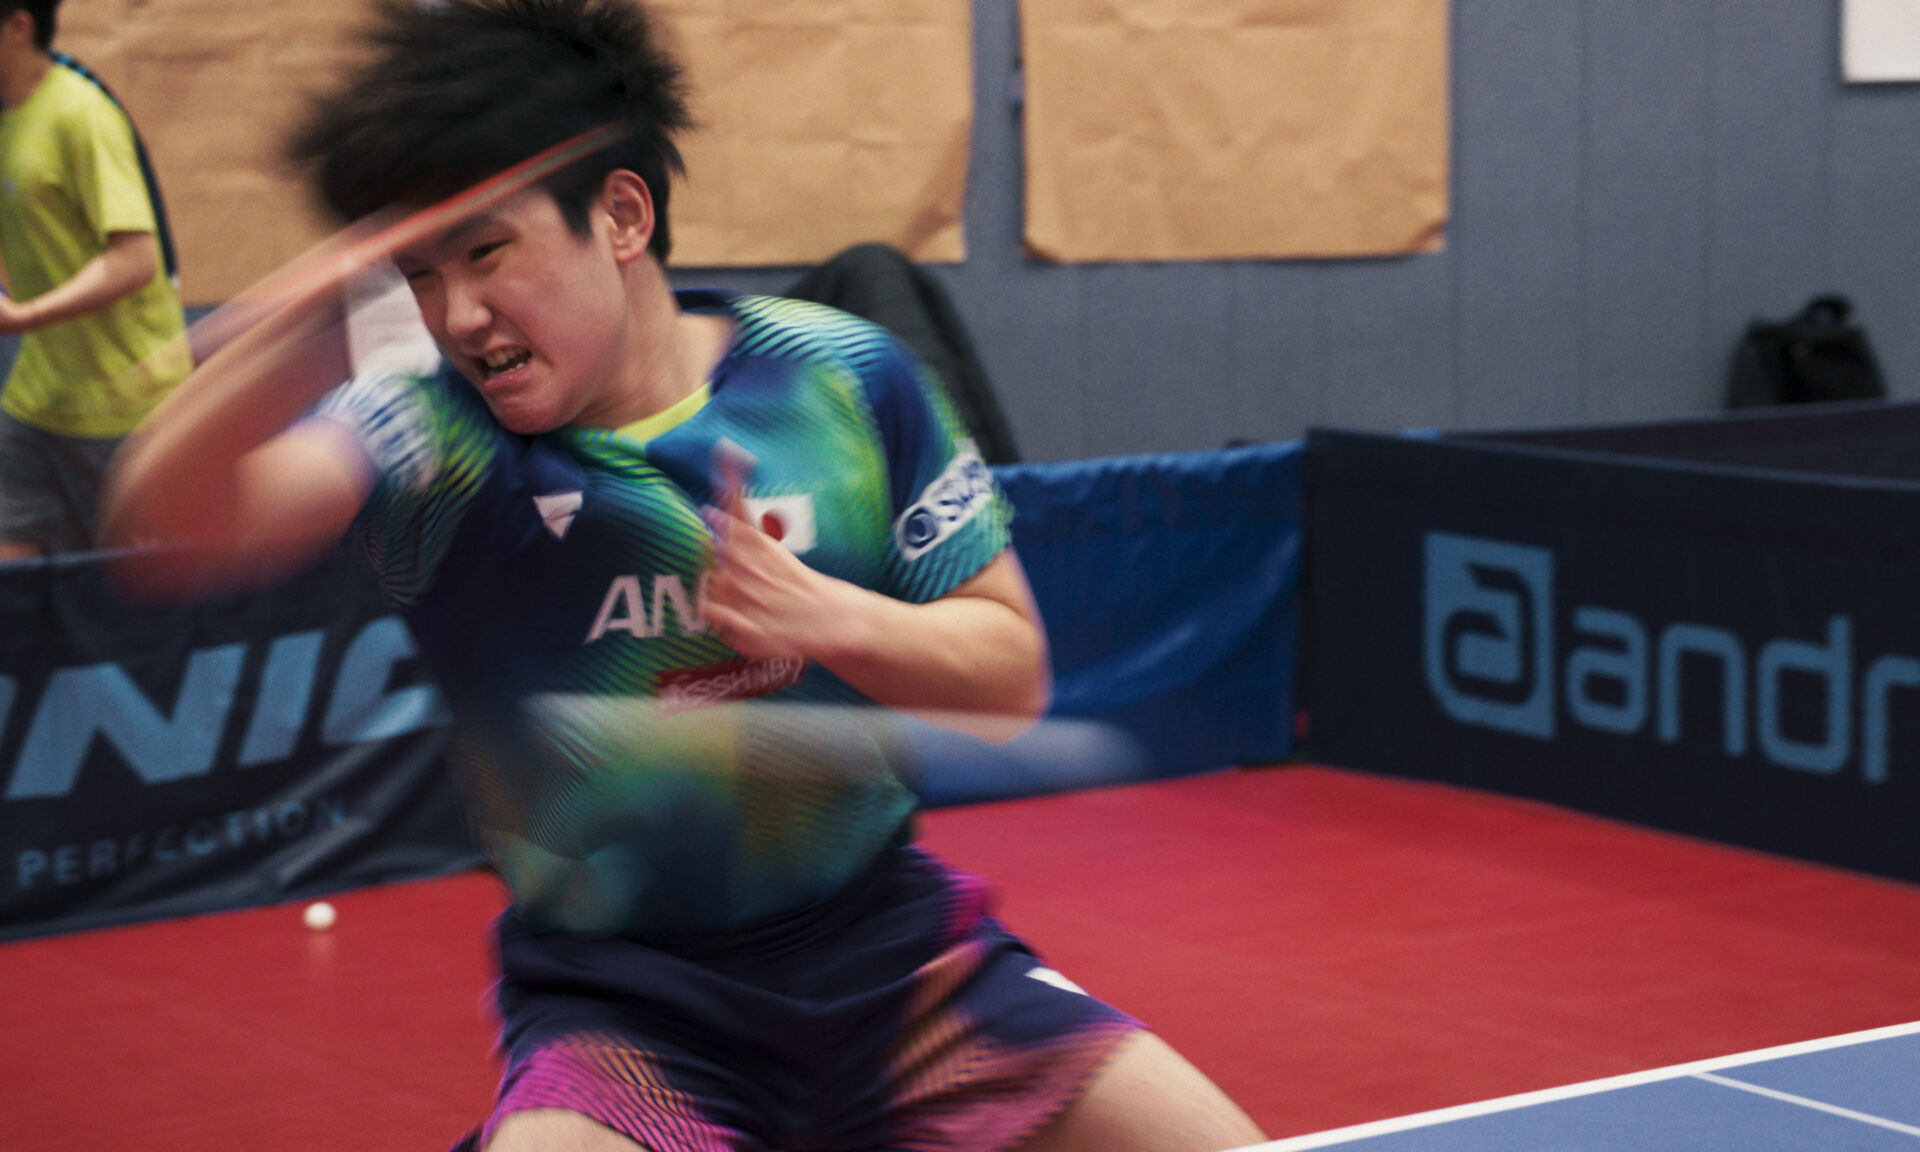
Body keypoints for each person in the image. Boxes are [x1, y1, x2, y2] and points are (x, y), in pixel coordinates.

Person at [101, 2, 1267, 1150]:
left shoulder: (838, 375)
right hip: (630, 1015)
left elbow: (1010, 677)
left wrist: (828, 618)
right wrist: (319, 313)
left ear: (621, 214)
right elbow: (176, 528)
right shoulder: (433, 435)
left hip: (904, 968)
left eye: (487, 253)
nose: (459, 315)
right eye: (419, 276)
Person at [0, 0, 189, 560]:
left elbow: (136, 260)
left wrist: (25, 316)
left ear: (18, 26)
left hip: (126, 404)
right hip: (38, 401)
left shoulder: (81, 115)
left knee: (131, 588)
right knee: (13, 588)